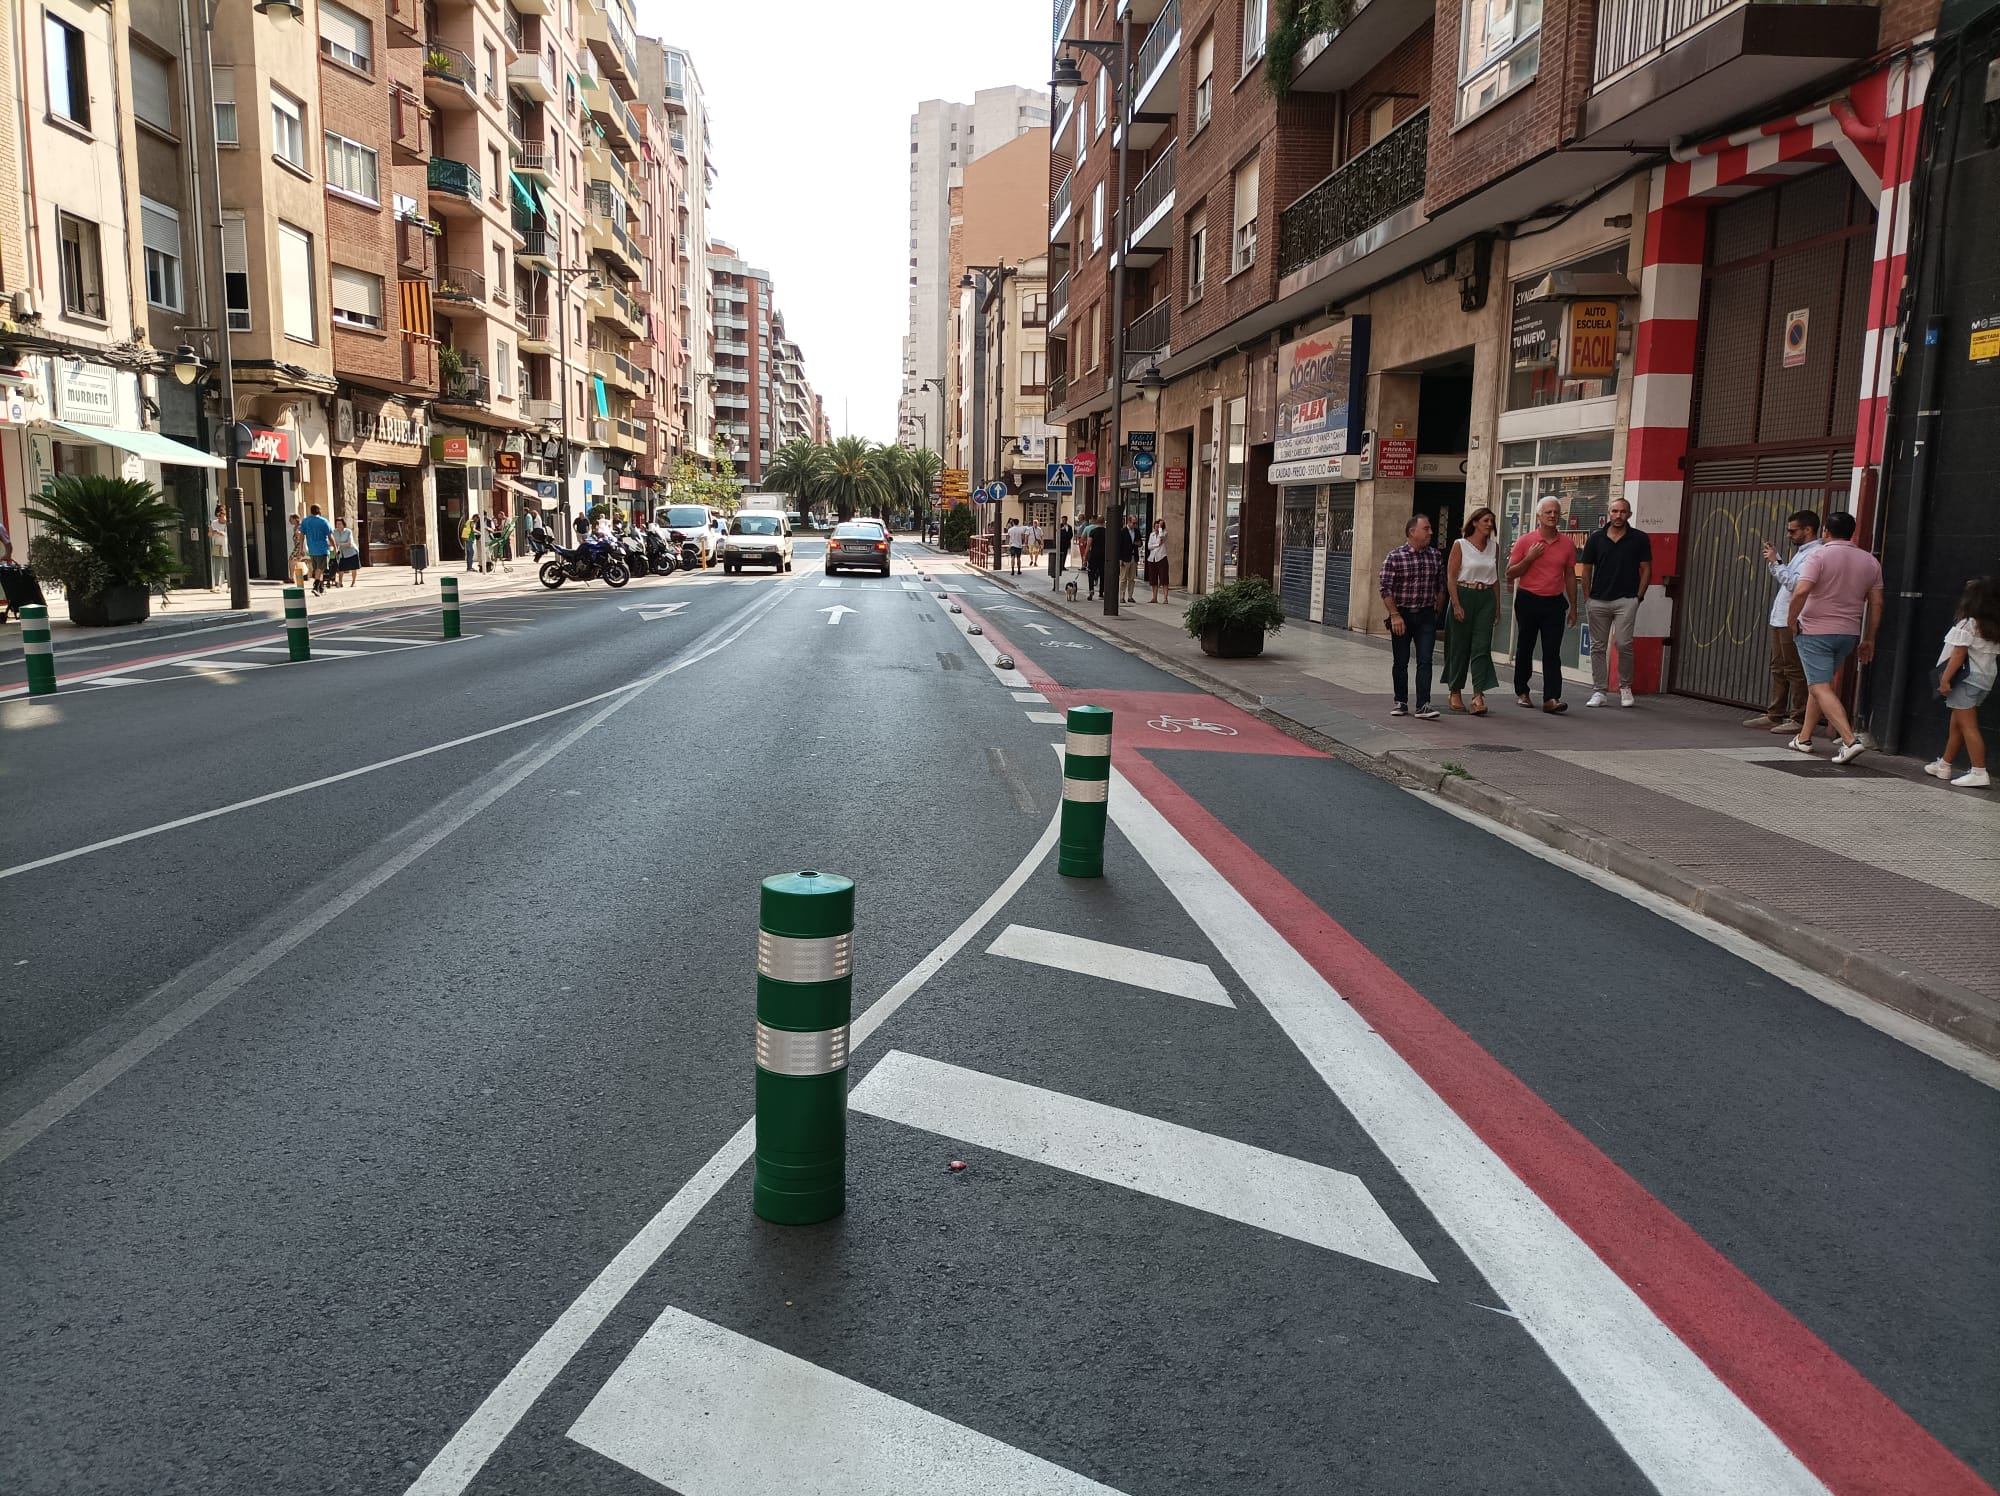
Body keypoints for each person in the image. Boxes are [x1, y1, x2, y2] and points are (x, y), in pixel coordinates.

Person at [1784, 510, 1882, 764]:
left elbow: (1801, 591)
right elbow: (1877, 603)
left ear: (1825, 531)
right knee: (1820, 684)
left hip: (1815, 630)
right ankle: (1804, 737)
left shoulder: (1818, 556)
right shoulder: (1870, 561)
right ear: (1852, 533)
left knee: (1819, 686)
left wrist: (1791, 620)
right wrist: (1869, 638)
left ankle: (1850, 741)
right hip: (1848, 633)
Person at [1746, 510, 1822, 735]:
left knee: (1793, 668)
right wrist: (1777, 561)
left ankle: (1798, 717)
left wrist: (1776, 562)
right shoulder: (1802, 553)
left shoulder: (1814, 554)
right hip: (1781, 617)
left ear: (1808, 529)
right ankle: (1775, 713)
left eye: (1793, 531)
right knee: (1778, 667)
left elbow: (1795, 584)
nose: (1789, 535)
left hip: (1793, 617)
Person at [1924, 577, 1997, 789]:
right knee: (1957, 725)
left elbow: (1958, 654)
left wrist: (1945, 679)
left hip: (1965, 680)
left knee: (1968, 727)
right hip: (1985, 679)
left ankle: (1979, 771)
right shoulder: (1993, 627)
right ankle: (1944, 765)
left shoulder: (1968, 624)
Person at [1579, 497, 1652, 709]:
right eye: (1615, 511)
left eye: (1623, 511)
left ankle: (1625, 687)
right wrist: (1587, 597)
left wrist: (1638, 597)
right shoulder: (1596, 538)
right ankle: (1599, 691)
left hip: (1626, 600)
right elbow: (1586, 569)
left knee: (1623, 644)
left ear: (1629, 514)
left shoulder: (1639, 538)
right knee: (1598, 647)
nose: (1618, 515)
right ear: (1608, 513)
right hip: (1598, 600)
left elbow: (1646, 569)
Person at [1507, 497, 1577, 713]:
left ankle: (1551, 697)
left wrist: (1574, 606)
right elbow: (1510, 573)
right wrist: (1530, 558)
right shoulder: (1526, 541)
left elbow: (1570, 575)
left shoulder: (1567, 543)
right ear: (1539, 516)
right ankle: (1522, 691)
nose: (1553, 516)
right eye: (1548, 512)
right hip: (1528, 599)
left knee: (1552, 651)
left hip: (1554, 602)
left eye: (1556, 512)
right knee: (1525, 646)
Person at [1379, 514, 1446, 720]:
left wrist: (1436, 612)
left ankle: (1423, 705)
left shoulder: (1435, 556)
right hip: (1402, 615)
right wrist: (1394, 615)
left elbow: (1441, 586)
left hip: (1426, 615)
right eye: (1426, 528)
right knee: (1401, 661)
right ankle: (1400, 701)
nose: (1431, 532)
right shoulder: (1395, 557)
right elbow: (1385, 588)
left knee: (1425, 660)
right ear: (1412, 532)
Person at [1443, 507, 1500, 716]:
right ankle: (1455, 690)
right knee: (1459, 645)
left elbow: (1495, 578)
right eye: (1485, 520)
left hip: (1486, 596)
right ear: (1474, 522)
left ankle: (1478, 695)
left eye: (1491, 521)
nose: (1489, 524)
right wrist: (1456, 604)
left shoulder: (1494, 547)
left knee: (1482, 646)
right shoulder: (1461, 544)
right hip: (1463, 593)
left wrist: (1497, 606)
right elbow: (1451, 576)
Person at [299, 504, 334, 595]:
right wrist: (335, 547)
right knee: (320, 568)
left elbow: (302, 536)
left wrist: (301, 548)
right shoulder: (324, 521)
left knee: (317, 569)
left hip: (312, 549)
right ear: (319, 511)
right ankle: (316, 585)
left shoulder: (305, 521)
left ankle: (321, 588)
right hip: (322, 548)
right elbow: (330, 536)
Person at [331, 515, 359, 588]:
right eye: (337, 524)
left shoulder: (348, 531)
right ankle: (340, 582)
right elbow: (331, 541)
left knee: (353, 568)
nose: (338, 525)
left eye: (340, 524)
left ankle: (353, 582)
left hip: (351, 552)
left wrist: (339, 544)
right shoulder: (334, 532)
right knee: (341, 568)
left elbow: (350, 543)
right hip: (341, 553)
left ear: (343, 524)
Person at [1145, 518, 1169, 603]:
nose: (1156, 528)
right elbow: (1149, 546)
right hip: (1152, 558)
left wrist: (1160, 528)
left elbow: (1162, 537)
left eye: (1158, 526)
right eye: (1155, 526)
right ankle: (1154, 597)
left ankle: (1165, 598)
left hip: (1161, 557)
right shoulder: (1151, 535)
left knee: (1164, 578)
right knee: (1153, 579)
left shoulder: (1164, 533)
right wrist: (1156, 545)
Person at [1119, 515, 1140, 602]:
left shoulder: (1136, 531)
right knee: (1123, 578)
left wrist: (1139, 543)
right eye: (1133, 523)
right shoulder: (1123, 531)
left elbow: (1140, 542)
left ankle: (1130, 596)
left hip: (1134, 557)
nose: (1134, 525)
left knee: (1131, 578)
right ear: (1129, 522)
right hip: (1125, 557)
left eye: (1136, 523)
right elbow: (1119, 546)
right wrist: (1120, 559)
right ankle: (1122, 596)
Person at [207, 503, 228, 592]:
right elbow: (209, 534)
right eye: (218, 515)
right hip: (217, 545)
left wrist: (222, 533)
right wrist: (213, 532)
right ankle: (216, 585)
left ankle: (230, 586)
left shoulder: (228, 522)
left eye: (221, 515)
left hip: (227, 546)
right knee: (217, 566)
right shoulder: (214, 523)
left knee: (228, 566)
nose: (219, 517)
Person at [1054, 517, 1074, 589]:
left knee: (1065, 554)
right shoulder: (1060, 526)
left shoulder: (1069, 527)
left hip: (1066, 543)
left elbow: (1071, 534)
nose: (1063, 521)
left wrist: (1068, 539)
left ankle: (1063, 565)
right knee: (1060, 554)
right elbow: (1058, 533)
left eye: (1064, 520)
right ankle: (1059, 565)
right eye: (1062, 520)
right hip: (1060, 543)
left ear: (1066, 520)